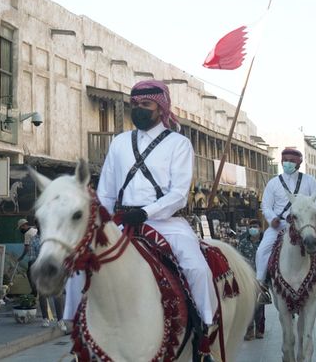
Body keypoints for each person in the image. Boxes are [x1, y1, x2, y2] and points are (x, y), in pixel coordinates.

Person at [67, 79, 217, 359]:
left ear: (160, 108)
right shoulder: (120, 143)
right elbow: (106, 191)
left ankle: (204, 331)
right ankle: (75, 328)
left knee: (197, 268)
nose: (138, 110)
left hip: (167, 223)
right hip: (122, 221)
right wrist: (103, 222)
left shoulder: (179, 144)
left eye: (145, 105)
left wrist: (147, 212)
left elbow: (179, 194)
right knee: (80, 264)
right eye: (134, 105)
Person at [256, 147, 316, 304]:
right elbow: (266, 205)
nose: (287, 163)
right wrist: (272, 218)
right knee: (262, 250)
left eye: (291, 161)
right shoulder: (273, 183)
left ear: (299, 163)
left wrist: (310, 212)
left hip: (306, 225)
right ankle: (261, 287)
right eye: (285, 160)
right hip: (280, 225)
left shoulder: (309, 181)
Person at [238, 219, 265, 340]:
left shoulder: (264, 242)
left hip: (261, 277)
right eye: (251, 226)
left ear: (260, 228)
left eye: (255, 226)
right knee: (249, 304)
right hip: (247, 277)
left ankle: (260, 330)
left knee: (260, 304)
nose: (253, 228)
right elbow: (239, 258)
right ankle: (249, 331)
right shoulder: (243, 242)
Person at [17, 218, 39, 295]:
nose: (21, 230)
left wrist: (21, 257)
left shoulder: (27, 234)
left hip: (34, 257)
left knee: (29, 273)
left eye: (21, 227)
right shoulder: (34, 229)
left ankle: (34, 290)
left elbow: (27, 248)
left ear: (24, 225)